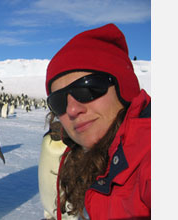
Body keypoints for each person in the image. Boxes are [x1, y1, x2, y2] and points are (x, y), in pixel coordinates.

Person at [44, 23, 151, 220]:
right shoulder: (89, 160)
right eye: (58, 102)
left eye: (87, 89)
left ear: (123, 88)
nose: (72, 110)